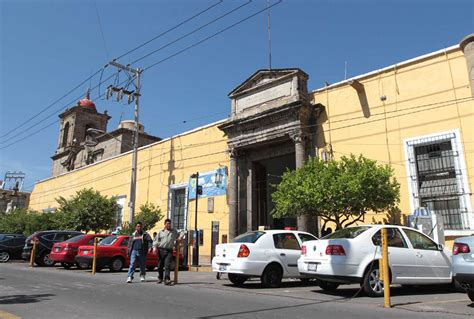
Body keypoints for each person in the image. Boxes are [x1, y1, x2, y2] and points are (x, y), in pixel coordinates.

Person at [153, 219, 182, 285]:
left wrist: (180, 237)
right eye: (167, 223)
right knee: (160, 265)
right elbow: (155, 241)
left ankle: (167, 279)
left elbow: (182, 231)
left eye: (169, 223)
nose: (169, 225)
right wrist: (154, 248)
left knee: (167, 265)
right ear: (165, 224)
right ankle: (160, 278)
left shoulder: (174, 231)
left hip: (169, 250)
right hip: (161, 250)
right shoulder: (161, 232)